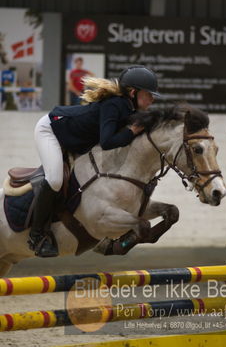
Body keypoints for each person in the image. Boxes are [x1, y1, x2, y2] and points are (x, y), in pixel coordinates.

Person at [28, 65, 160, 257]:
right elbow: (107, 143)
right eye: (149, 94)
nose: (152, 99)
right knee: (55, 180)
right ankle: (36, 236)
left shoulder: (129, 108)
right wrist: (131, 132)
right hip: (51, 129)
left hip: (75, 138)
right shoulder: (114, 104)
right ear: (133, 92)